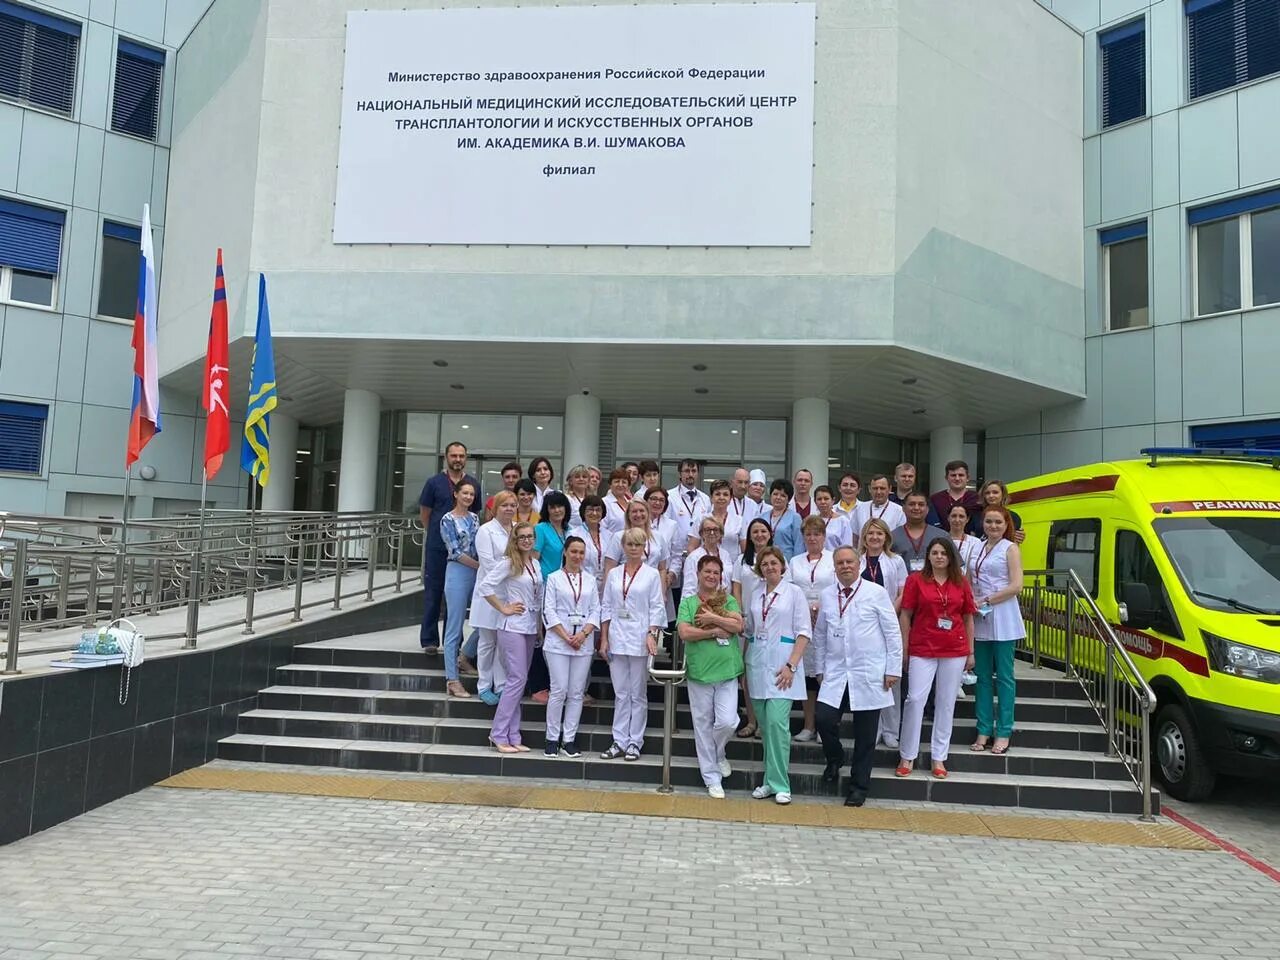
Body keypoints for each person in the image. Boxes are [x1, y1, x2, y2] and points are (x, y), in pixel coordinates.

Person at [813, 545, 903, 806]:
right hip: (836, 672)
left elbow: (892, 632)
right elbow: (820, 634)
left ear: (859, 564)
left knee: (866, 736)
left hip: (868, 672)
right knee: (824, 719)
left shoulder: (876, 593)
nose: (845, 566)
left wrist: (893, 669)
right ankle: (835, 758)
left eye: (849, 562)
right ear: (834, 567)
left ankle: (859, 787)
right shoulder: (827, 594)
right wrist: (819, 669)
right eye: (840, 563)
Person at [897, 538, 977, 779]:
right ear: (928, 556)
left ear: (951, 556)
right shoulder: (915, 580)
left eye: (943, 553)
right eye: (935, 553)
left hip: (954, 648)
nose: (939, 557)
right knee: (914, 699)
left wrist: (971, 651)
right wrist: (904, 648)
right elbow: (905, 615)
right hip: (922, 646)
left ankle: (939, 756)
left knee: (946, 702)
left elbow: (968, 617)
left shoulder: (961, 581)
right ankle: (907, 755)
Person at [745, 545, 810, 805]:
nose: (769, 567)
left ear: (782, 565)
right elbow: (750, 629)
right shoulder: (756, 593)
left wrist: (791, 666)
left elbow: (804, 632)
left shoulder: (794, 593)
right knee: (765, 728)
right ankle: (768, 782)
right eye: (764, 564)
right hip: (757, 665)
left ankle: (781, 785)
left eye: (774, 563)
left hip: (783, 668)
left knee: (777, 725)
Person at [677, 555, 746, 798]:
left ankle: (718, 753)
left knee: (728, 722)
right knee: (703, 726)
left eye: (716, 572)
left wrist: (712, 620)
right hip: (700, 674)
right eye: (707, 571)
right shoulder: (688, 603)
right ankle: (711, 778)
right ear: (698, 574)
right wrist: (715, 631)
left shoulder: (728, 600)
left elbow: (738, 626)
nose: (711, 576)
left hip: (727, 671)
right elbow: (685, 632)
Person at [599, 527, 667, 760]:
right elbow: (606, 606)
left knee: (637, 693)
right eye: (630, 544)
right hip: (617, 637)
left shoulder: (652, 575)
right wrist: (604, 638)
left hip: (640, 638)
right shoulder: (614, 574)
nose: (634, 548)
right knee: (621, 692)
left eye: (638, 544)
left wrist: (651, 634)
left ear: (644, 547)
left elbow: (657, 606)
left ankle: (635, 742)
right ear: (623, 547)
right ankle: (619, 740)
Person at [478, 521, 544, 753]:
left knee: (519, 681)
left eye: (529, 536)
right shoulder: (508, 562)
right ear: (515, 540)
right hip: (512, 626)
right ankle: (498, 733)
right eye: (521, 537)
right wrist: (503, 607)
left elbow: (537, 597)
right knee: (516, 678)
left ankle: (513, 735)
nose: (526, 540)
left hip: (530, 626)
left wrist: (539, 626)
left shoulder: (535, 563)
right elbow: (485, 587)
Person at [968, 506, 1025, 756]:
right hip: (980, 615)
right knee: (982, 677)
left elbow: (1016, 586)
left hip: (1002, 614)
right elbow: (969, 579)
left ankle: (1003, 731)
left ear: (1006, 525)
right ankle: (983, 729)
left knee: (1004, 677)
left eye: (998, 522)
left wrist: (987, 599)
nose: (993, 526)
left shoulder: (1010, 548)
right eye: (989, 521)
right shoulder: (977, 547)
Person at [418, 441, 481, 653]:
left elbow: (475, 514)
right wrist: (438, 534)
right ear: (446, 457)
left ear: (466, 458)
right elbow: (425, 514)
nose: (457, 459)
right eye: (453, 455)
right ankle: (429, 640)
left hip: (463, 554)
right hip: (438, 548)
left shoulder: (472, 484)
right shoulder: (434, 483)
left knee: (457, 598)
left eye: (461, 456)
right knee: (434, 593)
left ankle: (452, 641)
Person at [542, 535, 600, 758]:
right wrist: (566, 636)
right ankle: (551, 738)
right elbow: (548, 610)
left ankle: (569, 739)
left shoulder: (590, 580)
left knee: (576, 692)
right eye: (573, 551)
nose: (577, 556)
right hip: (558, 642)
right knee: (559, 690)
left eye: (581, 552)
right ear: (565, 552)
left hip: (582, 643)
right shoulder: (554, 578)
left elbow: (596, 609)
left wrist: (583, 634)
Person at [858, 517, 909, 749]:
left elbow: (902, 591)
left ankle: (891, 730)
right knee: (869, 677)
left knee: (890, 678)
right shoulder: (857, 560)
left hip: (889, 621)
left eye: (879, 533)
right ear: (864, 537)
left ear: (886, 537)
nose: (875, 537)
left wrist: (888, 612)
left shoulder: (895, 561)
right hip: (863, 625)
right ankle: (875, 728)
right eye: (870, 533)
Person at [786, 514, 836, 744]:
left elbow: (838, 587)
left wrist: (821, 606)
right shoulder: (795, 562)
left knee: (825, 674)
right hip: (802, 621)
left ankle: (826, 727)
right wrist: (804, 608)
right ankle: (809, 725)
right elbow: (790, 589)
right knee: (806, 675)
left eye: (817, 534)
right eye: (808, 534)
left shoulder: (833, 559)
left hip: (828, 620)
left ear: (824, 536)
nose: (812, 538)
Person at [469, 491, 516, 706]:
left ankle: (502, 684)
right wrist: (512, 568)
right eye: (504, 505)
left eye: (512, 505)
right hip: (490, 592)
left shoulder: (517, 529)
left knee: (503, 642)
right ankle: (484, 685)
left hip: (510, 592)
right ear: (495, 508)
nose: (509, 509)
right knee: (487, 642)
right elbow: (488, 563)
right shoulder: (485, 530)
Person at [528, 491, 573, 704]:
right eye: (552, 507)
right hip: (545, 589)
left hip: (566, 592)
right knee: (541, 637)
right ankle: (538, 686)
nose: (556, 510)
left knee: (559, 637)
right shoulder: (541, 529)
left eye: (560, 506)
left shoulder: (569, 531)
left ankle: (559, 687)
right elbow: (534, 560)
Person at [732, 517, 774, 739]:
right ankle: (751, 720)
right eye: (755, 531)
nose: (759, 535)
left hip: (771, 624)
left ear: (770, 534)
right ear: (749, 536)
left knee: (766, 672)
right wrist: (740, 615)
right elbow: (736, 589)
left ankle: (765, 722)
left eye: (763, 531)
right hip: (747, 624)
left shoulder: (776, 558)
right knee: (747, 674)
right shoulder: (741, 560)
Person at [439, 478, 481, 698]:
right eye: (464, 493)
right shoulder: (447, 519)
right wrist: (479, 566)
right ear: (456, 494)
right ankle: (452, 680)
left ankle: (465, 655)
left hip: (477, 572)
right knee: (454, 628)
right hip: (458, 572)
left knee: (487, 620)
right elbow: (455, 551)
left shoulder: (474, 518)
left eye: (471, 494)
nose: (468, 497)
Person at [666, 459, 710, 609]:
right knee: (675, 598)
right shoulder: (670, 497)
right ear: (680, 474)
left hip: (697, 556)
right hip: (676, 556)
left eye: (693, 471)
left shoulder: (705, 499)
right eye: (686, 471)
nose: (690, 474)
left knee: (694, 595)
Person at [892, 492, 949, 576]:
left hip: (934, 583)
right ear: (903, 508)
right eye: (912, 504)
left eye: (921, 504)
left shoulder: (942, 536)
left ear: (927, 509)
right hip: (902, 583)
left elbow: (954, 566)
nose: (916, 508)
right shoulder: (892, 536)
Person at [689, 479, 742, 564]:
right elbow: (692, 547)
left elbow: (744, 551)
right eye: (717, 494)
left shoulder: (739, 521)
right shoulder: (701, 519)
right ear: (711, 498)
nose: (721, 497)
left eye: (725, 494)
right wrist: (697, 566)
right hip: (706, 568)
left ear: (730, 498)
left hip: (731, 566)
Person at [683, 516, 734, 597]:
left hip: (724, 601)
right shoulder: (693, 557)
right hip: (702, 602)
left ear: (721, 534)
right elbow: (689, 589)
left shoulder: (726, 555)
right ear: (701, 534)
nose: (712, 533)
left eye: (715, 530)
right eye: (708, 530)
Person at [967, 479, 1026, 544]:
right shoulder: (975, 516)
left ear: (1003, 494)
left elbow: (1015, 541)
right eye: (987, 493)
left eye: (995, 492)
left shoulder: (1013, 517)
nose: (991, 496)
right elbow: (970, 540)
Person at [930, 459, 980, 530]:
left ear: (968, 478)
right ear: (946, 478)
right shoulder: (935, 499)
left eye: (961, 475)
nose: (957, 478)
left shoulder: (977, 498)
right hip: (941, 536)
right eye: (953, 475)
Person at [577, 494, 609, 596]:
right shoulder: (574, 534)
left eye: (598, 510)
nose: (594, 513)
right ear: (583, 512)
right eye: (590, 509)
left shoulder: (609, 535)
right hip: (582, 587)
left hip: (605, 587)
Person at [762, 478, 802, 559]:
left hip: (787, 561)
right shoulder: (762, 517)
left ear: (788, 499)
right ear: (770, 495)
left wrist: (796, 563)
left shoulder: (795, 518)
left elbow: (799, 545)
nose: (778, 497)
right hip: (765, 560)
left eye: (783, 495)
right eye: (775, 494)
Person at [946, 503, 982, 574]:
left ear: (967, 519)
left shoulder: (976, 542)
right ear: (948, 518)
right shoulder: (940, 539)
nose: (957, 520)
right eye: (954, 516)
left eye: (961, 516)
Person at [814, 485, 853, 551]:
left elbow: (847, 547)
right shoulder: (812, 521)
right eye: (819, 499)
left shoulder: (843, 521)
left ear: (833, 500)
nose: (823, 502)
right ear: (815, 502)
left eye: (826, 499)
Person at [601, 468, 633, 534]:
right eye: (617, 481)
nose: (620, 485)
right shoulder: (603, 503)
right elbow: (602, 529)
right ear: (610, 484)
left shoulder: (631, 503)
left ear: (628, 485)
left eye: (624, 482)